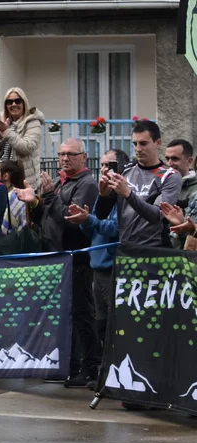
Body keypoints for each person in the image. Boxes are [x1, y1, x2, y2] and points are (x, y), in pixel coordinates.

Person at [30, 137, 99, 387]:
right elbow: (48, 215)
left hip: (76, 258)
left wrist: (49, 197)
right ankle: (69, 365)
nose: (65, 158)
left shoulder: (86, 184)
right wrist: (35, 202)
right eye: (61, 154)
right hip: (57, 257)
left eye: (71, 154)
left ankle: (90, 367)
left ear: (83, 157)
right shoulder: (61, 182)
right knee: (66, 315)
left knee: (82, 314)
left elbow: (71, 219)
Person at [64, 151, 121, 391]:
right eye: (103, 165)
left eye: (111, 165)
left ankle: (116, 376)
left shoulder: (122, 197)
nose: (105, 169)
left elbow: (114, 228)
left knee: (113, 327)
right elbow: (92, 231)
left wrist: (90, 220)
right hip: (96, 268)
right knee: (101, 326)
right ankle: (104, 375)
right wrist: (84, 220)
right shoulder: (103, 195)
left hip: (111, 269)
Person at [97, 120, 180, 247]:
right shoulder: (125, 171)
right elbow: (101, 215)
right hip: (126, 248)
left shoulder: (169, 175)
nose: (138, 149)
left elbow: (156, 215)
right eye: (135, 144)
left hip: (155, 249)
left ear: (158, 143)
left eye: (143, 143)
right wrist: (103, 196)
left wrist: (128, 194)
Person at [0, 87, 44, 189]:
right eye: (9, 102)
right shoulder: (3, 121)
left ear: (24, 103)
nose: (13, 104)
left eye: (17, 101)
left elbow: (26, 148)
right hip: (2, 177)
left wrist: (7, 132)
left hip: (24, 180)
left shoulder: (33, 122)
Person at [163, 139, 196, 248]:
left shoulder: (194, 190)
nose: (169, 163)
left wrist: (181, 225)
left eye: (175, 159)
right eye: (167, 159)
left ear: (189, 161)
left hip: (184, 253)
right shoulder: (161, 184)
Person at [0, 159, 30, 237]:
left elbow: (3, 229)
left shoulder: (12, 198)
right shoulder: (16, 194)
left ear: (5, 176)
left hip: (10, 242)